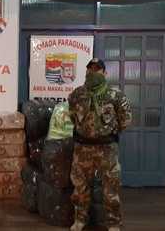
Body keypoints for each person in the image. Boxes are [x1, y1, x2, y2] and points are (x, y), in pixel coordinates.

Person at [68, 58, 132, 231]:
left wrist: (109, 132)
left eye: (97, 70)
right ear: (86, 72)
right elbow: (72, 116)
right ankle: (80, 220)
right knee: (80, 189)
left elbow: (126, 120)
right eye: (90, 69)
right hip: (82, 149)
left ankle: (113, 223)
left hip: (107, 149)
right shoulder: (77, 94)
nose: (93, 72)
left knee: (111, 191)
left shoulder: (116, 95)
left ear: (104, 73)